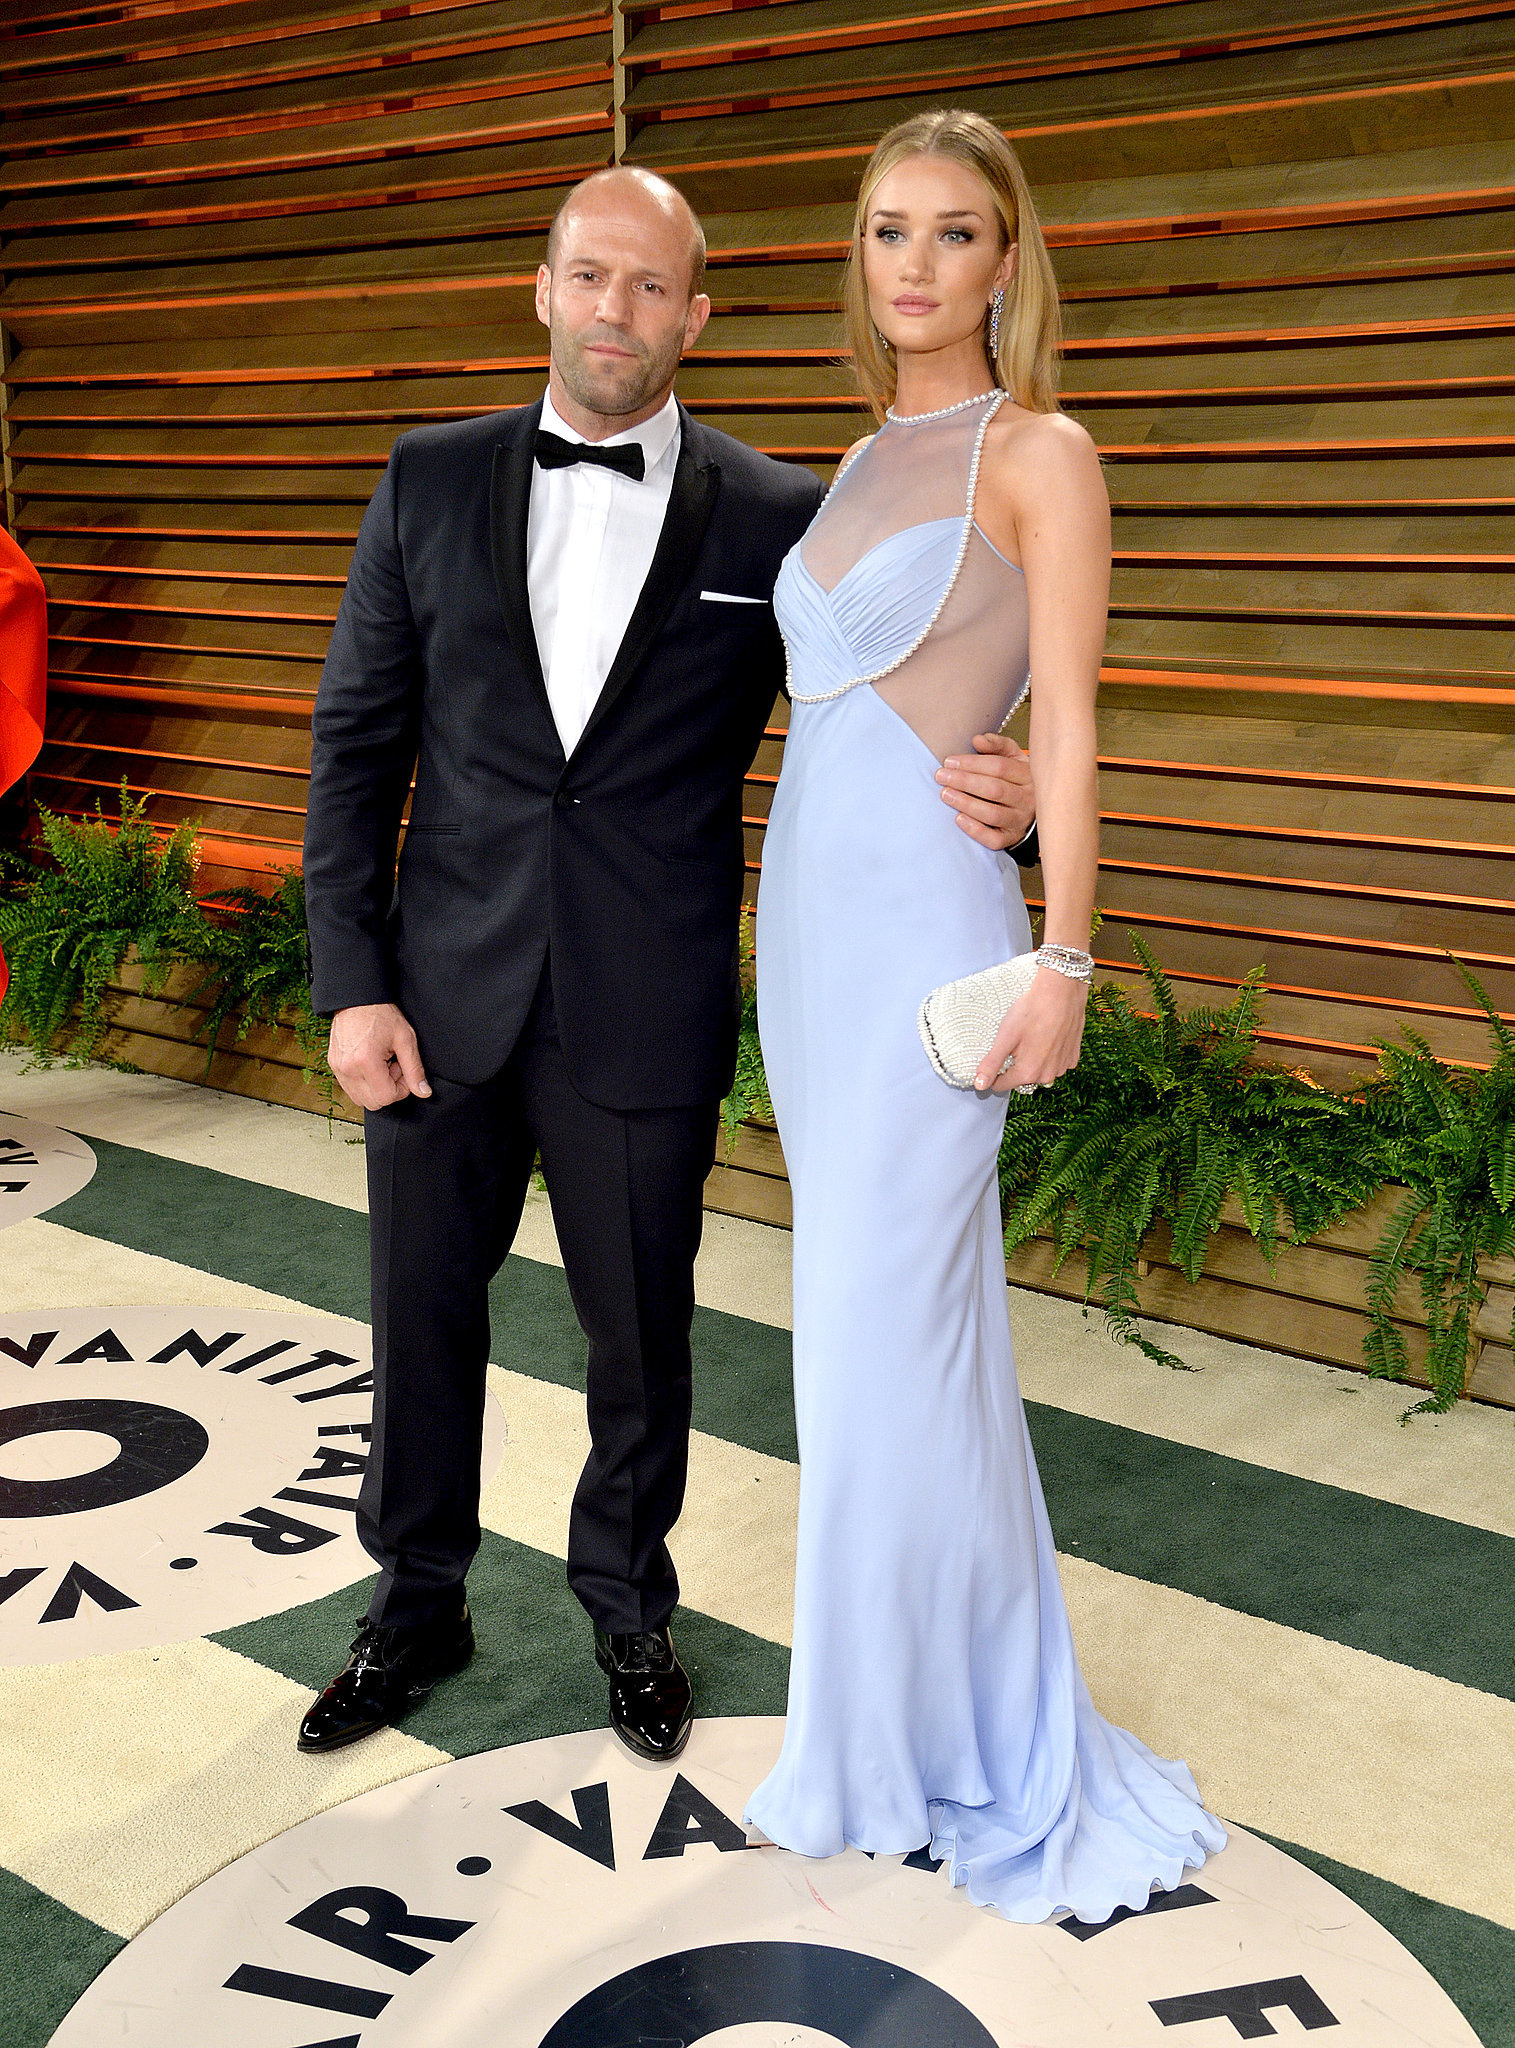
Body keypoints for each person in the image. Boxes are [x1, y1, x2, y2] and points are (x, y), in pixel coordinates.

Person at [298, 165, 1041, 1761]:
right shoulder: (425, 481)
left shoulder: (779, 517)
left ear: (695, 315)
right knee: (421, 1317)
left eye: (653, 288)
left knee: (643, 1336)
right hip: (439, 996)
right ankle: (412, 1603)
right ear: (545, 288)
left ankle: (629, 1610)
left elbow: (892, 695)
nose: (617, 312)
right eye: (591, 277)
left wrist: (1025, 800)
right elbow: (354, 746)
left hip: (646, 996)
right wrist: (351, 979)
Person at [742, 110, 1225, 1923]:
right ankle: (892, 1728)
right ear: (859, 259)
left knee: (898, 1339)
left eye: (954, 234)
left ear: (1008, 260)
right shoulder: (862, 457)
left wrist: (1070, 952)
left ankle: (942, 1741)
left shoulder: (1044, 453)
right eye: (887, 233)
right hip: (806, 931)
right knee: (873, 1354)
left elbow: (1077, 719)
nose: (917, 265)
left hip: (942, 943)